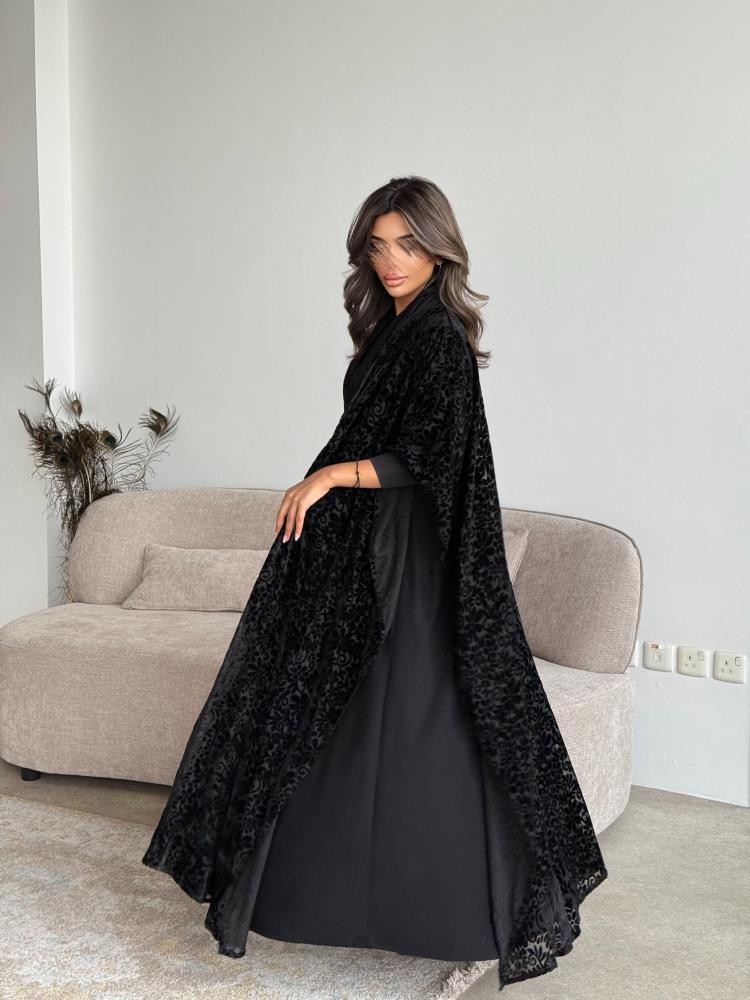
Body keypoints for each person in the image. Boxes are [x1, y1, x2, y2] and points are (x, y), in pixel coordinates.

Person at [142, 176, 608, 992]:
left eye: (409, 245)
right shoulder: (394, 327)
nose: (392, 261)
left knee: (415, 718)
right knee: (340, 714)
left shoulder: (438, 337)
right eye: (379, 245)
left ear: (440, 249)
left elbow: (430, 453)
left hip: (410, 555)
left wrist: (330, 477)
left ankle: (439, 908)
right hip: (372, 545)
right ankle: (318, 893)